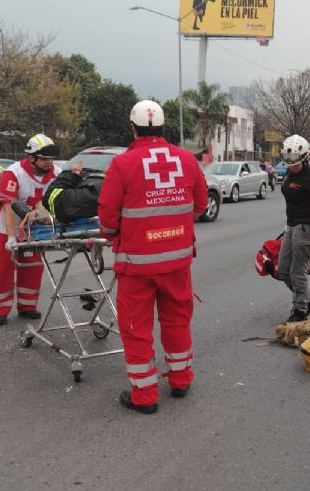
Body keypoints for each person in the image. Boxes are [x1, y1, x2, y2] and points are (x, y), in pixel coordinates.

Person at [98, 100, 208, 415]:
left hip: (137, 265)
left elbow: (107, 215)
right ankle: (180, 379)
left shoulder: (123, 164)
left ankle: (144, 395)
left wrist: (113, 236)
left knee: (136, 328)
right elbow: (199, 204)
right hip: (177, 262)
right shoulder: (187, 160)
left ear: (133, 128)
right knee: (177, 320)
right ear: (163, 127)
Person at [0, 134, 61, 326]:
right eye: (44, 159)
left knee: (33, 268)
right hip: (6, 228)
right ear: (32, 157)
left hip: (34, 230)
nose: (49, 163)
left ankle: (27, 307)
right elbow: (8, 206)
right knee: (2, 270)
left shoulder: (57, 174)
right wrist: (11, 237)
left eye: (51, 159)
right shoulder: (13, 174)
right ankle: (0, 309)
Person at [277, 135, 310, 323]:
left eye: (296, 163)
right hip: (291, 226)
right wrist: (287, 226)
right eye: (289, 163)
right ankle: (307, 299)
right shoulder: (291, 172)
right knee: (283, 269)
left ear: (305, 158)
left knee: (297, 272)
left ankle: (300, 310)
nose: (292, 166)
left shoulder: (309, 177)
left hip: (305, 228)